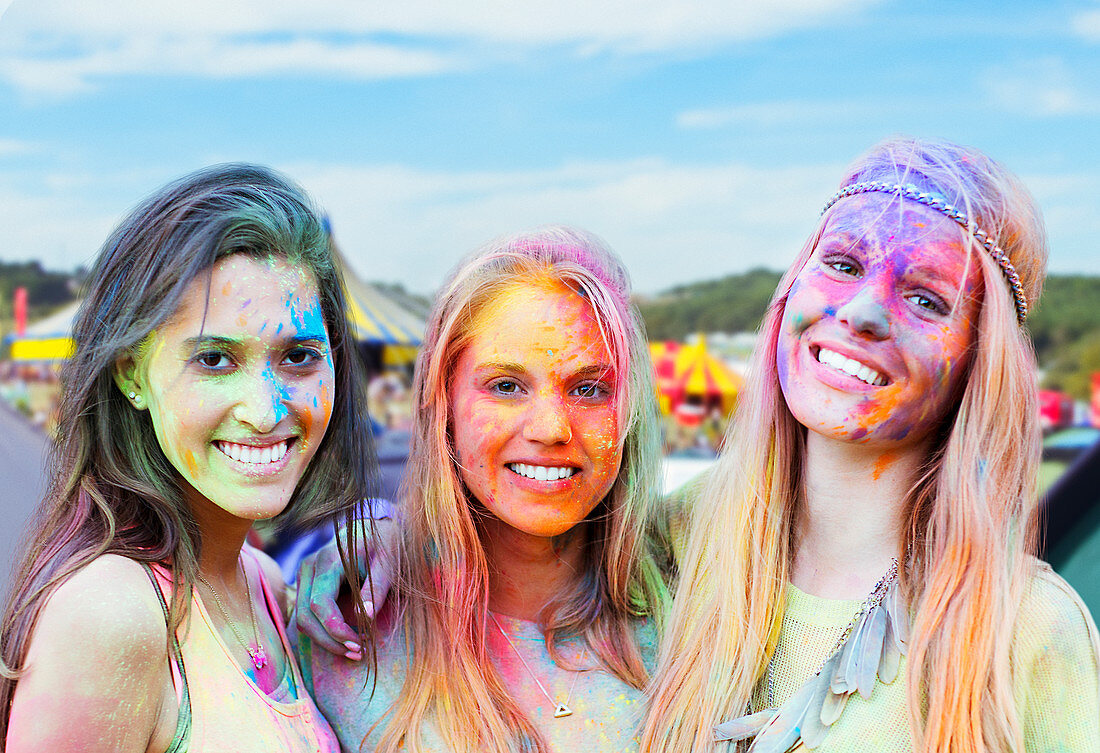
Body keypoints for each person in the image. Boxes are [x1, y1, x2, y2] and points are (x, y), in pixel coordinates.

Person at [640, 136, 1100, 752]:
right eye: (844, 264)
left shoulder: (1026, 631)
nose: (862, 311)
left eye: (925, 298)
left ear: (979, 361)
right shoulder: (663, 540)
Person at [0, 164, 376, 751]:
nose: (266, 409)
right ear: (132, 374)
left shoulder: (266, 584)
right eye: (215, 360)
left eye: (299, 355)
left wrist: (395, 544)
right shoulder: (111, 616)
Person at [295, 226, 674, 753]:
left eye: (589, 388)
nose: (550, 428)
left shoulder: (699, 601)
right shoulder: (345, 628)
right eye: (506, 386)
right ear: (441, 402)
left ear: (629, 410)